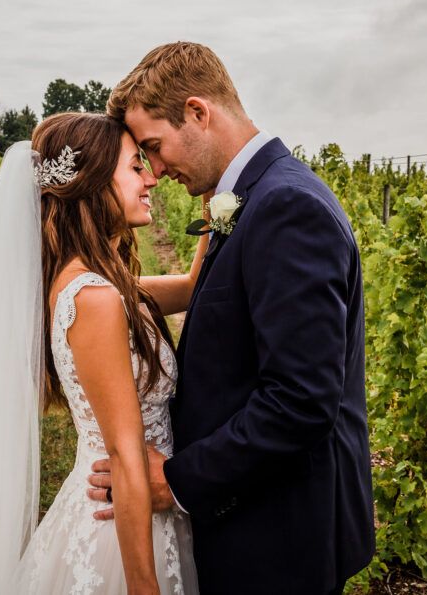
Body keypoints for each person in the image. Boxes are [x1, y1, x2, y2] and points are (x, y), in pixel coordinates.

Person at [87, 42, 376, 594]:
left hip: (280, 537)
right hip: (255, 518)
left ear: (198, 112)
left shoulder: (287, 207)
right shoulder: (256, 196)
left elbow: (300, 400)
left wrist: (174, 481)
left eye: (154, 146)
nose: (157, 168)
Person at [0, 112, 205, 594]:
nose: (152, 178)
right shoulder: (96, 299)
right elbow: (126, 456)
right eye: (135, 167)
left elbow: (192, 287)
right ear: (92, 183)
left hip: (137, 506)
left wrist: (217, 201)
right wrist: (144, 587)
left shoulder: (99, 285)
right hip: (123, 526)